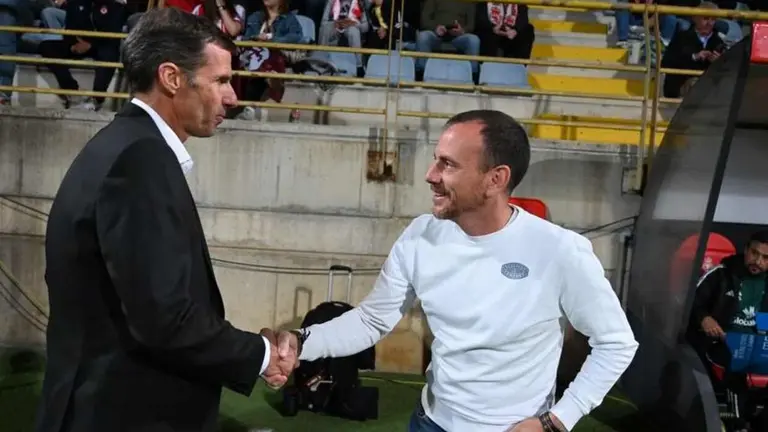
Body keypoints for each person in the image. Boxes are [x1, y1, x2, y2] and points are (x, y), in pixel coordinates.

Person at [269, 109, 639, 432]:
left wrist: (556, 421)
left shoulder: (560, 251)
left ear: (495, 179)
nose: (430, 175)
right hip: (429, 423)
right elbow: (372, 320)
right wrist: (302, 341)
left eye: (448, 164)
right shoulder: (420, 235)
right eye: (436, 160)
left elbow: (617, 343)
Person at [35, 8, 295, 432]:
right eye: (221, 80)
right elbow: (165, 320)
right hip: (123, 414)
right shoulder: (139, 159)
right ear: (172, 78)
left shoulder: (120, 144)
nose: (232, 97)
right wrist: (263, 355)